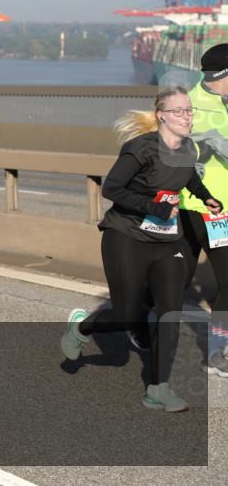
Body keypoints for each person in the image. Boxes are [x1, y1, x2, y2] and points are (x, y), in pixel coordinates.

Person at [61, 86, 222, 411]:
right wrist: (153, 206)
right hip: (126, 236)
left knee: (169, 311)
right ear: (161, 116)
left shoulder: (188, 149)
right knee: (128, 315)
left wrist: (206, 197)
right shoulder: (140, 149)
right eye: (179, 111)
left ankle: (158, 388)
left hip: (166, 241)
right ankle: (82, 326)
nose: (187, 117)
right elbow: (112, 188)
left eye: (189, 111)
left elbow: (189, 178)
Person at [170, 44, 228, 378]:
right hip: (206, 209)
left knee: (174, 280)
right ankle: (218, 352)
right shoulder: (191, 107)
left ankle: (135, 320)